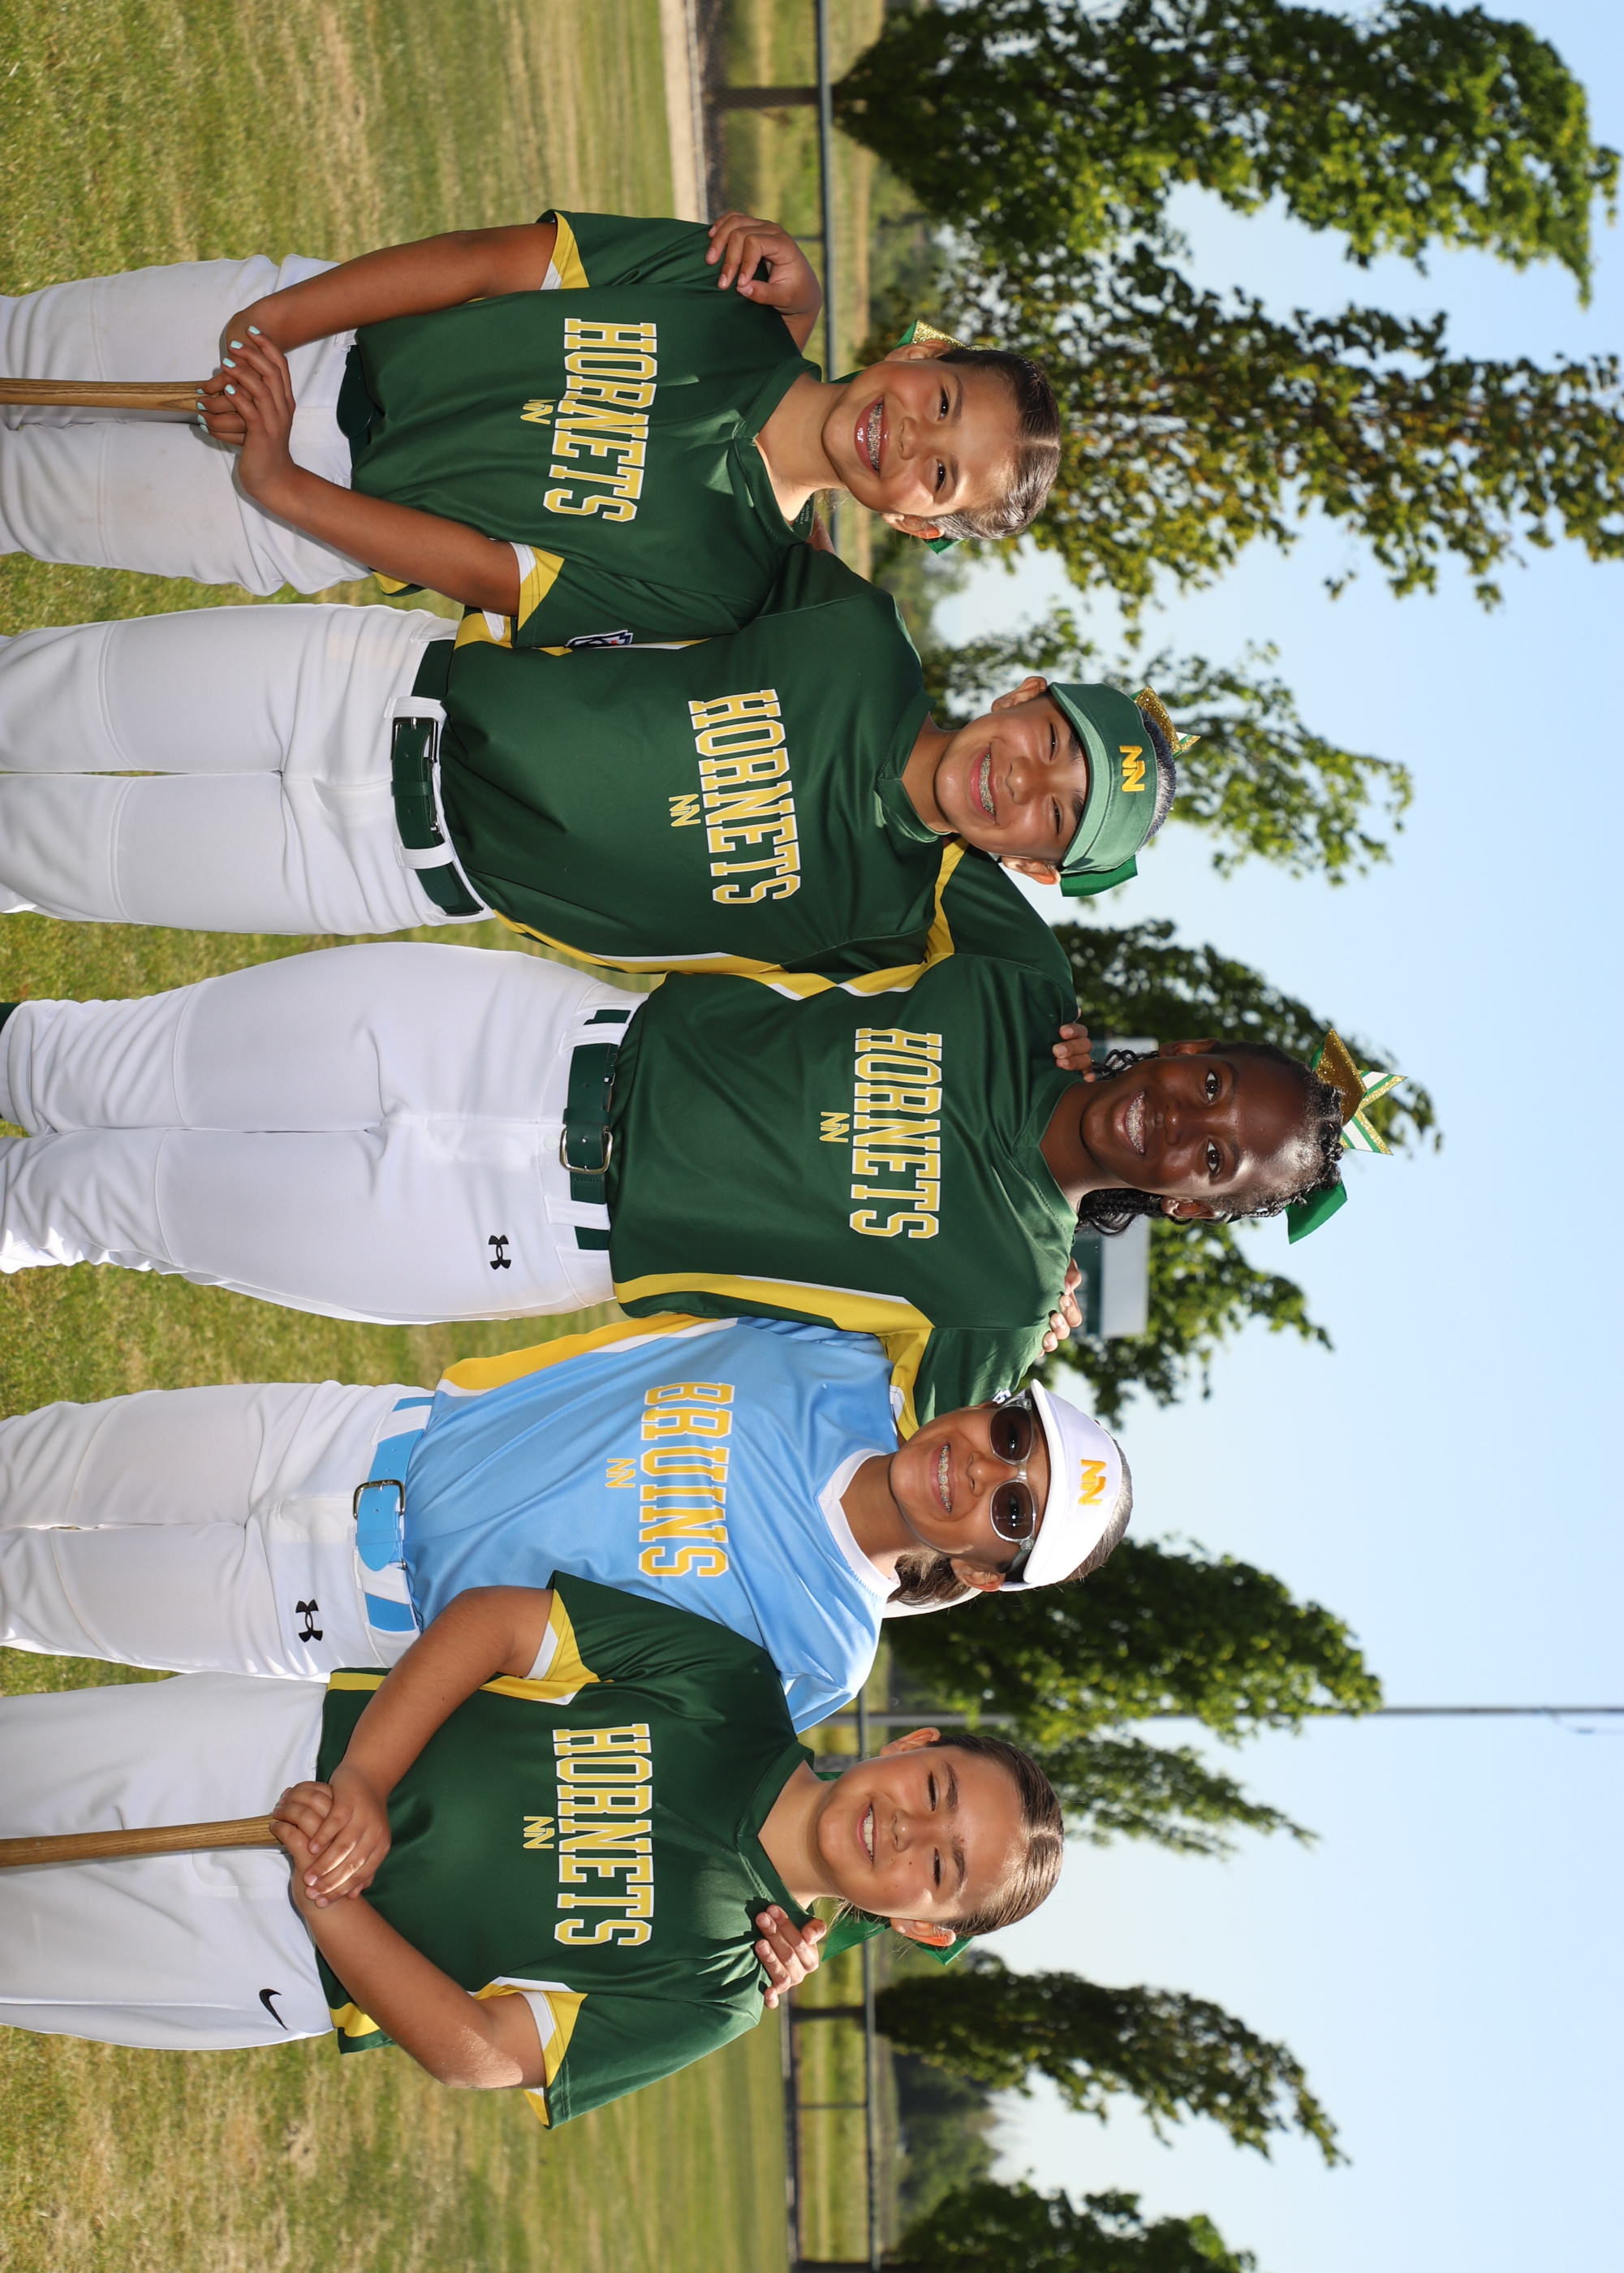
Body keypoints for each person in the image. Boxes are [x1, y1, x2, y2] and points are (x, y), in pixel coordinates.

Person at [0, 946, 1346, 1424]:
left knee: (106, 1209)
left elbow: (902, 1520)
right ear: (1189, 1049)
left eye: (1212, 1159)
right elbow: (923, 789)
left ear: (1188, 1207)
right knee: (93, 1059)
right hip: (521, 1032)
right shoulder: (1011, 981)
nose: (1182, 1121)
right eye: (1211, 1085)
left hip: (522, 1234)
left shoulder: (999, 1298)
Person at [0, 1575, 1065, 2129]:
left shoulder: (718, 1992)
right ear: (913, 1746)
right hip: (291, 1752)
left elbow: (479, 2052)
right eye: (935, 1791)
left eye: (942, 1869)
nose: (910, 1829)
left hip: (282, 1958)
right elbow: (498, 1626)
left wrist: (331, 1904)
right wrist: (364, 1781)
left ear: (922, 1925)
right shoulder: (732, 1689)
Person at [0, 542, 1174, 946]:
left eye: (1057, 814)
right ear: (1024, 692)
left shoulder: (887, 923)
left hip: (397, 869)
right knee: (55, 693)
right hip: (383, 685)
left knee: (61, 862)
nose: (1025, 778)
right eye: (1051, 739)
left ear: (1034, 867)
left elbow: (1004, 1087)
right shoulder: (854, 631)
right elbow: (714, 504)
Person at [0, 1309, 1130, 1721]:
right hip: (355, 1432)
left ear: (984, 1573)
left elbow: (639, 1751)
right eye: (1011, 1434)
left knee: (38, 1596)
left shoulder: (821, 1655)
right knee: (44, 1453)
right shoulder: (844, 1356)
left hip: (348, 1610)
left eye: (1012, 1512)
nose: (981, 1470)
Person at [0, 210, 1059, 631]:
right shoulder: (732, 291)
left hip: (301, 506)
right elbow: (483, 262)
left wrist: (281, 479)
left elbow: (487, 573)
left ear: (915, 522)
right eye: (942, 404)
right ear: (918, 355)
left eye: (940, 477)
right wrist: (270, 324)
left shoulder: (728, 582)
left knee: (22, 502)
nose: (912, 440)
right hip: (325, 332)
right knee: (25, 346)